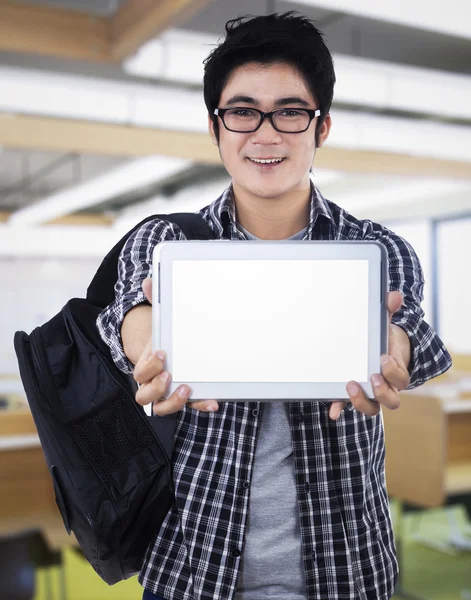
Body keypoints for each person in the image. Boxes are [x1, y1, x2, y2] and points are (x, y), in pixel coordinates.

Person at [97, 12, 451, 600]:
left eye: (290, 111)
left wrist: (394, 350)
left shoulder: (377, 249)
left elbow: (409, 325)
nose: (265, 134)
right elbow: (129, 312)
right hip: (194, 572)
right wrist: (151, 348)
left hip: (347, 570)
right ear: (216, 128)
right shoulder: (168, 244)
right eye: (242, 112)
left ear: (323, 127)